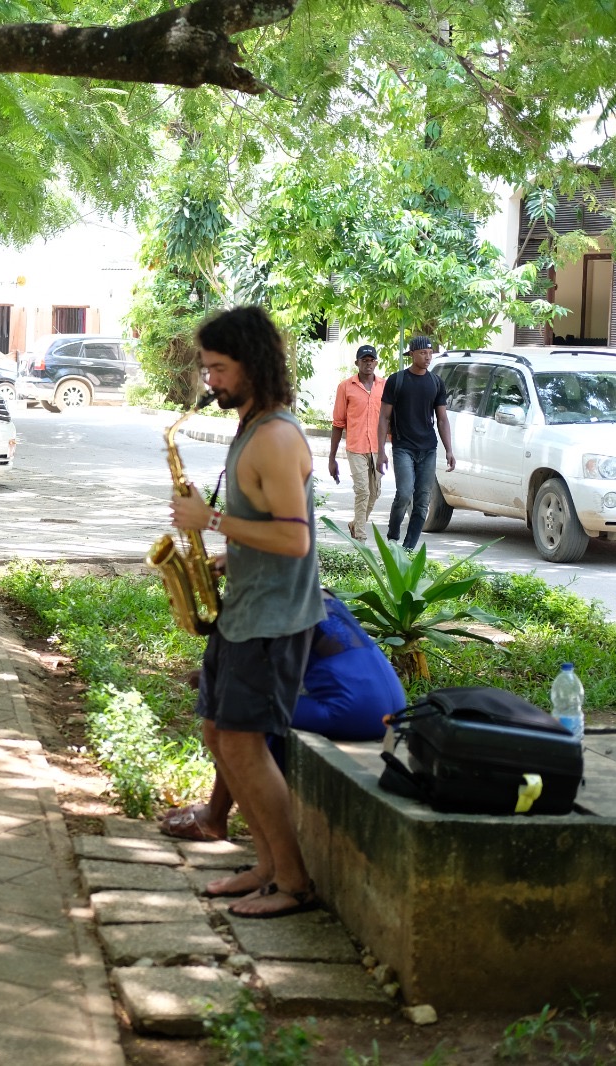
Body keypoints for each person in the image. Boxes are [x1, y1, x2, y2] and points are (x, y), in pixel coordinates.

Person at [169, 305, 324, 919]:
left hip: (275, 621)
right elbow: (266, 530)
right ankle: (264, 864)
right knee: (219, 736)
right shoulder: (252, 427)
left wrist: (207, 520)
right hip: (248, 611)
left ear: (252, 364)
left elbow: (295, 539)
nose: (209, 380)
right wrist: (230, 559)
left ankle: (293, 883)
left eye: (218, 368)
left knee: (241, 744)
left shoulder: (278, 438)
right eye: (206, 369)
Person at [159, 589, 409, 841]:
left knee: (241, 716)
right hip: (394, 704)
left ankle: (214, 818)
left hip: (351, 709)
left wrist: (213, 680)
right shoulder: (318, 593)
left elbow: (258, 678)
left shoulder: (278, 602)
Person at [378, 335, 454, 551]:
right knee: (404, 493)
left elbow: (442, 419)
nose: (428, 357)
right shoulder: (397, 380)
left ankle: (408, 549)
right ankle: (393, 539)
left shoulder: (436, 383)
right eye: (423, 353)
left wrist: (449, 449)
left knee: (422, 501)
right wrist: (381, 450)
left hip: (428, 449)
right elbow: (384, 417)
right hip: (403, 447)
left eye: (430, 353)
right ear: (411, 354)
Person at [327, 345, 385, 541]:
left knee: (374, 493)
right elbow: (338, 423)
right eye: (364, 360)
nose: (368, 363)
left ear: (376, 362)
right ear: (357, 363)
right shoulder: (345, 387)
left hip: (377, 448)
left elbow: (388, 419)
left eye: (371, 360)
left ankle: (355, 524)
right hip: (356, 448)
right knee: (362, 490)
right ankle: (360, 539)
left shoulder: (384, 386)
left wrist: (387, 448)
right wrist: (332, 458)